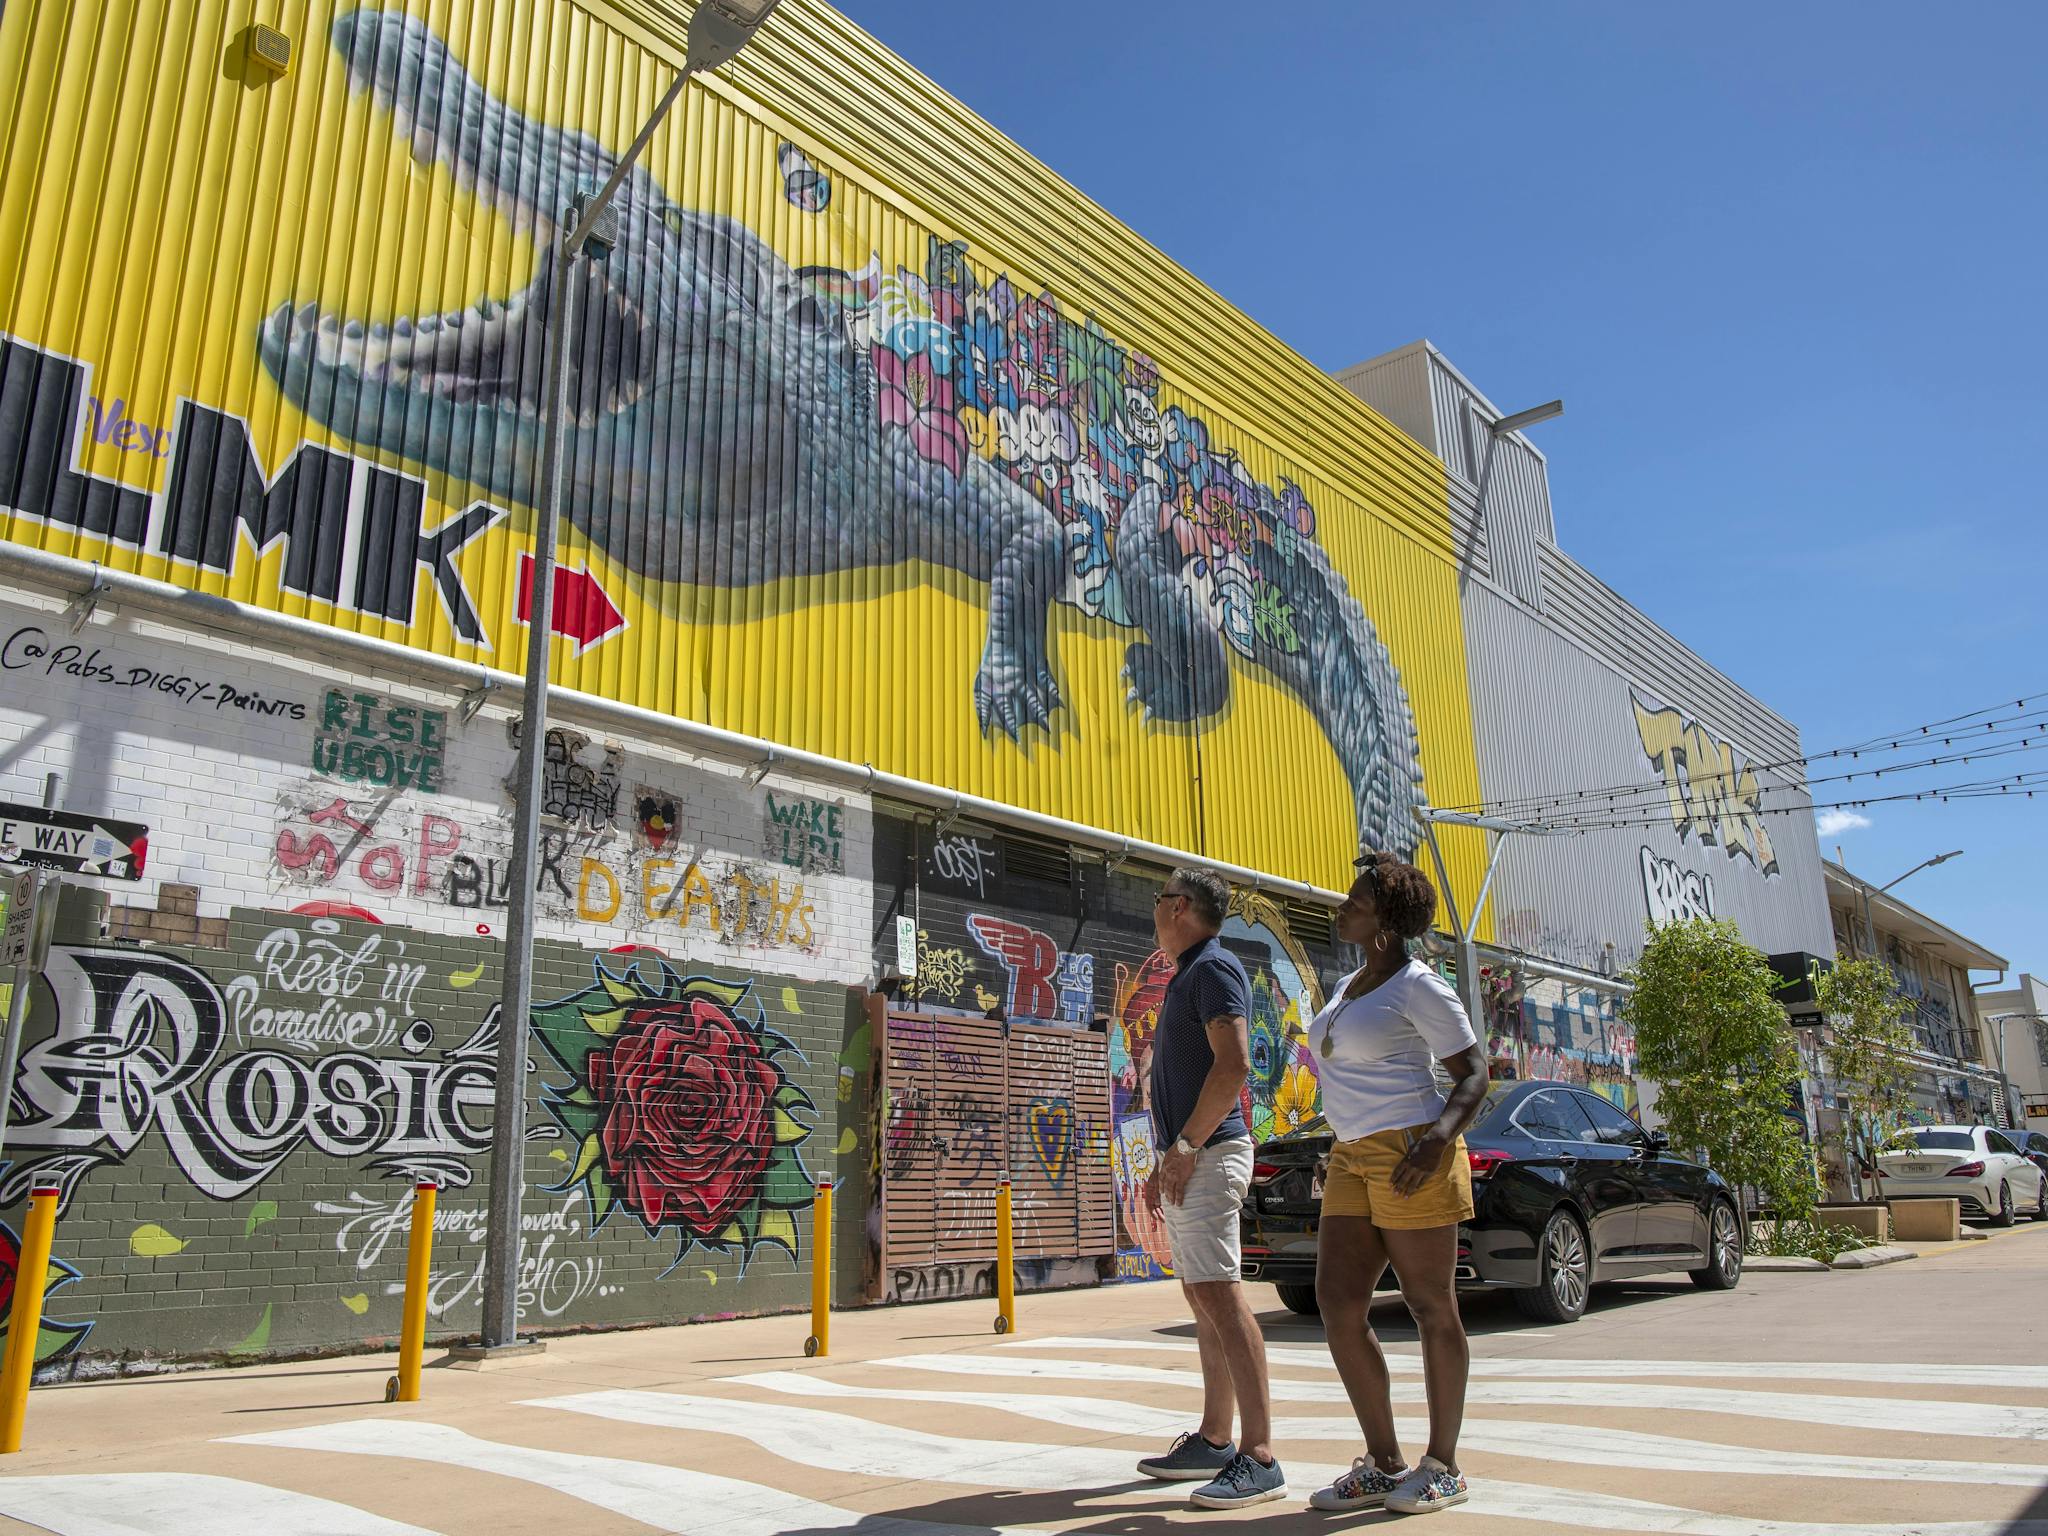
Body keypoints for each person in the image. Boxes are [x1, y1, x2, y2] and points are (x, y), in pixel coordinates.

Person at [1304, 851, 1490, 1517]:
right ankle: (1383, 1463)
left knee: (1429, 1306)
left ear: (1384, 921)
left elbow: (1474, 1073)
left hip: (1412, 1151)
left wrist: (1436, 1142)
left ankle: (1443, 1466)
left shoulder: (1418, 986)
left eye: (1355, 901)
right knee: (1338, 1303)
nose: (1343, 906)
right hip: (1352, 1156)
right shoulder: (1352, 983)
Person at [1133, 868, 1286, 1509]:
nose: (1156, 910)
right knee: (1203, 1296)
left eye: (1162, 899)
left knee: (1222, 1297)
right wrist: (1167, 1155)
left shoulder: (1214, 970)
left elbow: (1234, 1066)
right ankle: (1217, 1437)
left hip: (1212, 1154)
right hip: (1195, 1154)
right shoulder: (1189, 976)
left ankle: (1259, 1456)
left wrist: (1188, 1148)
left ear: (1184, 908)